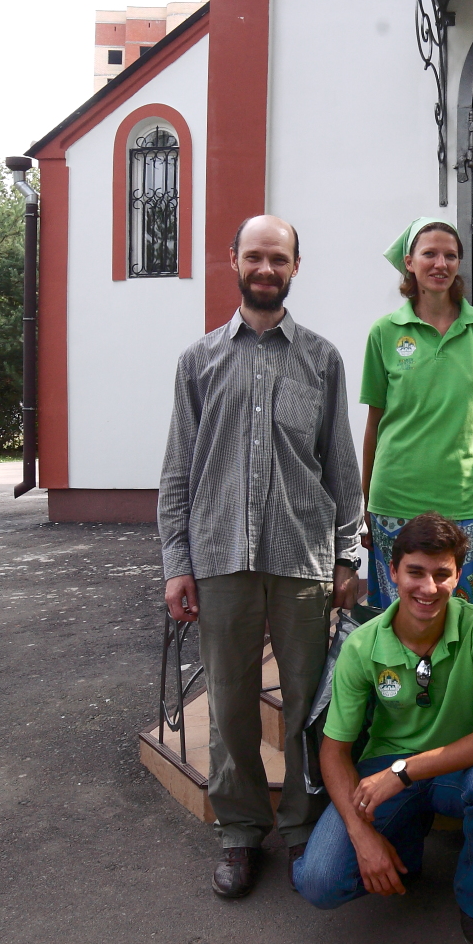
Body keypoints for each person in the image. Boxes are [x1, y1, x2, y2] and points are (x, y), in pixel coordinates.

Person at [158, 214, 363, 899]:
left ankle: (302, 824)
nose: (266, 268)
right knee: (230, 702)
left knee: (307, 700)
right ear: (235, 261)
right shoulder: (198, 360)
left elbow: (340, 466)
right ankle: (241, 830)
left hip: (301, 554)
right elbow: (178, 470)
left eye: (278, 257)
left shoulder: (322, 359)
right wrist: (176, 562)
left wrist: (347, 556)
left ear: (295, 266)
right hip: (219, 555)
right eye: (255, 256)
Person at [293, 513, 473, 944]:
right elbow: (333, 751)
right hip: (386, 765)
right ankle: (401, 846)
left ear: (458, 576)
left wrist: (404, 772)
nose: (428, 587)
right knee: (319, 881)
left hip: (460, 764)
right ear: (392, 571)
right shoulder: (362, 645)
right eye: (415, 572)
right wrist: (362, 835)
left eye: (442, 574)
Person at [361, 218, 473, 613]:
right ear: (409, 262)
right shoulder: (384, 332)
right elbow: (375, 423)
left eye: (450, 255)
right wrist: (366, 501)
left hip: (464, 501)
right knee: (404, 620)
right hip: (396, 498)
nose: (440, 263)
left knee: (469, 619)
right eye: (429, 254)